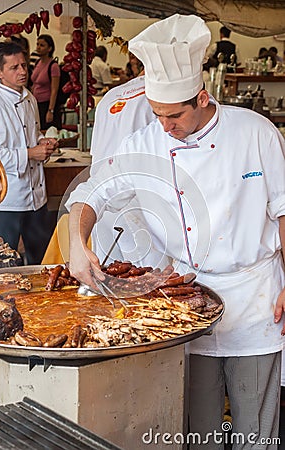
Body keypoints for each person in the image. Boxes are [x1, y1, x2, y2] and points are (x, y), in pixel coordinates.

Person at [66, 13, 285, 449]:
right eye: (156, 114)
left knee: (254, 432)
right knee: (198, 429)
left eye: (174, 115)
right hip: (186, 303)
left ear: (202, 98)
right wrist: (77, 242)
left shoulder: (256, 133)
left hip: (256, 299)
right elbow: (90, 194)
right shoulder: (146, 142)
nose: (165, 126)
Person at [90, 72, 170, 268]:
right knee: (150, 279)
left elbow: (95, 153)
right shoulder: (161, 98)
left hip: (100, 199)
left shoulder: (111, 96)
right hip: (137, 205)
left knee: (105, 275)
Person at [0, 41, 58, 265]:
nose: (22, 71)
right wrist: (31, 153)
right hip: (8, 198)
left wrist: (42, 142)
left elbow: (32, 133)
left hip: (37, 196)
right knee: (6, 263)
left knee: (41, 262)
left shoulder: (29, 97)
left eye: (24, 65)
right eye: (14, 67)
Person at [31, 34, 61, 130]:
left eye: (42, 45)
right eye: (37, 44)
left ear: (49, 48)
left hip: (47, 104)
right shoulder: (37, 62)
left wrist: (50, 110)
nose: (38, 47)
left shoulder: (53, 66)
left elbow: (54, 90)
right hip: (36, 104)